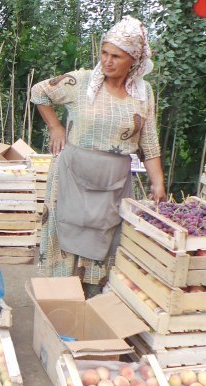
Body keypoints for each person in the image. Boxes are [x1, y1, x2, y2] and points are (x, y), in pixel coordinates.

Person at [31, 16, 167, 297]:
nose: (107, 61)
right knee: (64, 240)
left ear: (134, 60)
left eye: (116, 56)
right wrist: (55, 126)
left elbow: (149, 140)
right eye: (104, 53)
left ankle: (92, 311)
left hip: (112, 184)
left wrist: (158, 183)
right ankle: (58, 307)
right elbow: (39, 91)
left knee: (104, 240)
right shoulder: (80, 82)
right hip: (70, 178)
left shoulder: (144, 94)